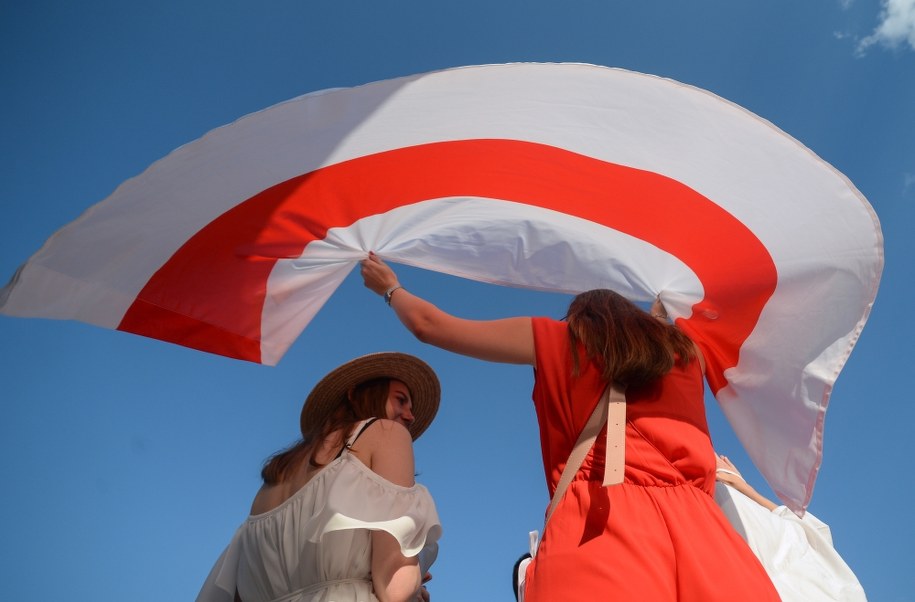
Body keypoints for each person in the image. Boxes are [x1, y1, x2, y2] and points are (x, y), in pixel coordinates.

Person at [360, 252, 779, 601]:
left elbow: (430, 326)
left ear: (582, 318)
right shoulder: (689, 356)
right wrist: (662, 308)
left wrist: (390, 288)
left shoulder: (558, 340)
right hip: (707, 534)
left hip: (599, 525)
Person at [196, 352, 443, 602]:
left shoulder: (273, 481)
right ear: (357, 393)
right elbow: (395, 589)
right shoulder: (387, 432)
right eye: (401, 400)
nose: (410, 416)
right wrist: (416, 568)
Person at [715, 455, 867, 601]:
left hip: (753, 565)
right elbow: (813, 537)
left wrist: (741, 486)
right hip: (773, 544)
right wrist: (743, 487)